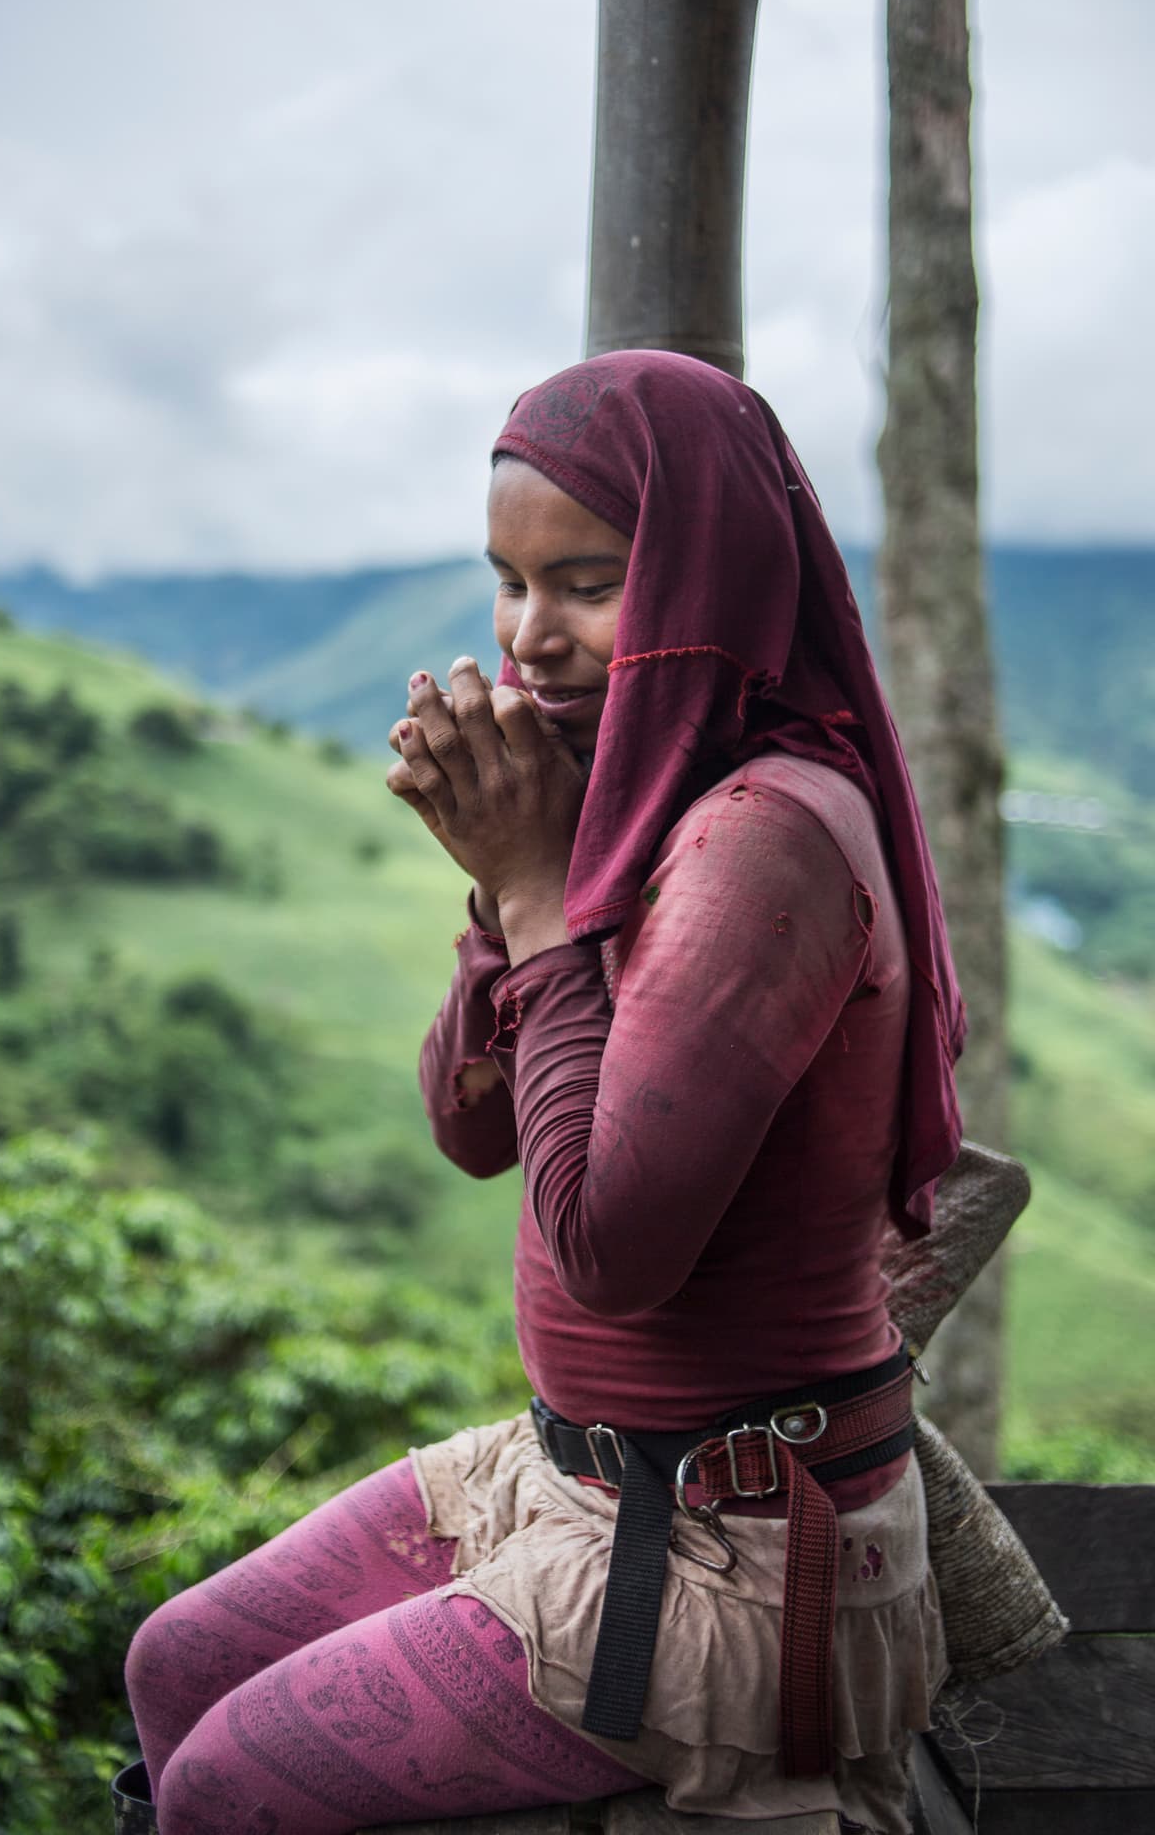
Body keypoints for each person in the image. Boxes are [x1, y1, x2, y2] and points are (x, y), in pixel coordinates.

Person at [125, 351, 962, 1835]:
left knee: (225, 1788)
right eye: (507, 585)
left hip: (740, 1554)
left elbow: (608, 1251)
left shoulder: (763, 836)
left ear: (711, 584)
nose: (530, 639)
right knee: (175, 1659)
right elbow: (470, 1128)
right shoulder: (636, 807)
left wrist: (530, 891)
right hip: (580, 1478)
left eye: (586, 584)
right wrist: (505, 883)